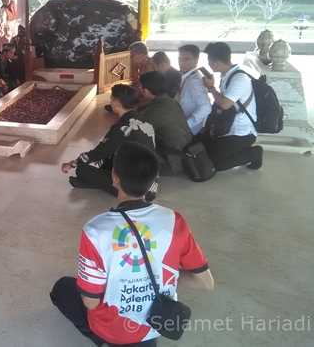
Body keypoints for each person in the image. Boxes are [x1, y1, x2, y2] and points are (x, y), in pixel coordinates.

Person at [51, 141, 214, 347]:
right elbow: (206, 282)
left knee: (63, 288)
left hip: (113, 331)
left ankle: (103, 340)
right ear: (154, 180)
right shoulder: (174, 220)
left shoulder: (96, 230)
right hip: (153, 326)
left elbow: (90, 303)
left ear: (114, 177)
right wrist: (161, 278)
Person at [62, 83, 157, 196]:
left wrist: (72, 163)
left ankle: (93, 183)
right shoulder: (143, 119)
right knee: (111, 157)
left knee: (82, 169)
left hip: (135, 189)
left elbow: (99, 153)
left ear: (117, 102)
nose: (110, 101)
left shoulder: (122, 128)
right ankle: (91, 182)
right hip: (150, 179)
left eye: (111, 98)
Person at [200, 42, 263, 171]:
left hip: (242, 132)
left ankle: (254, 153)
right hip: (227, 126)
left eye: (209, 61)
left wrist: (211, 88)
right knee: (205, 152)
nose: (209, 64)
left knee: (215, 164)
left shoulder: (239, 78)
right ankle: (236, 149)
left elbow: (224, 104)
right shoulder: (227, 75)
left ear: (215, 62)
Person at [138, 72, 192, 172]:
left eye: (140, 87)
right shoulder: (171, 101)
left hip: (174, 160)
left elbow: (136, 128)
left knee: (134, 142)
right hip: (186, 152)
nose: (139, 90)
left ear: (145, 91)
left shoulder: (155, 110)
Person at [178, 44, 211, 135]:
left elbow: (206, 107)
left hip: (188, 130)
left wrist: (187, 124)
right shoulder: (187, 76)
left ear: (196, 60)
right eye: (180, 59)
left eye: (186, 59)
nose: (181, 62)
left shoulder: (194, 81)